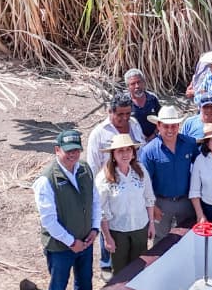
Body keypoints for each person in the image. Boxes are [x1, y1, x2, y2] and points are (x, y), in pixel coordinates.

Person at [32, 129, 101, 290]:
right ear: (57, 150)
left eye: (76, 150)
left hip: (85, 241)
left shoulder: (85, 170)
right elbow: (49, 221)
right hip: (61, 247)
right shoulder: (46, 180)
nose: (72, 155)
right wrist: (72, 242)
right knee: (57, 289)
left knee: (85, 281)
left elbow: (95, 201)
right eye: (68, 151)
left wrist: (94, 228)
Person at [85, 93, 145, 270]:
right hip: (108, 185)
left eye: (128, 113)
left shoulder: (134, 125)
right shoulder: (99, 133)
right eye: (120, 114)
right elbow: (92, 165)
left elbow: (139, 151)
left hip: (132, 180)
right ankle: (106, 264)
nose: (125, 118)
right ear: (110, 111)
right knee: (107, 225)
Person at [95, 134, 157, 273]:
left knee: (140, 267)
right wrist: (107, 237)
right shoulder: (104, 178)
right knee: (120, 270)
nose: (125, 154)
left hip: (140, 227)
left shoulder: (140, 171)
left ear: (133, 153)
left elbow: (148, 198)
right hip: (118, 231)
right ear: (113, 154)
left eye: (128, 150)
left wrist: (151, 223)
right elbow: (101, 210)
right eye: (120, 151)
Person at [139, 106, 199, 239]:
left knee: (188, 236)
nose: (170, 130)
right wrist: (153, 206)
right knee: (160, 239)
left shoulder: (190, 143)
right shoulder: (149, 151)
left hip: (186, 201)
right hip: (161, 202)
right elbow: (144, 182)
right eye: (166, 126)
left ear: (178, 125)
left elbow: (201, 166)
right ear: (158, 126)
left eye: (173, 126)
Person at [125, 69, 162, 141]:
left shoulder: (152, 99)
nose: (137, 86)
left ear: (143, 83)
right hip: (133, 142)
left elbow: (161, 119)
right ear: (128, 87)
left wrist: (153, 136)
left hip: (154, 139)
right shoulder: (125, 102)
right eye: (133, 84)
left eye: (139, 82)